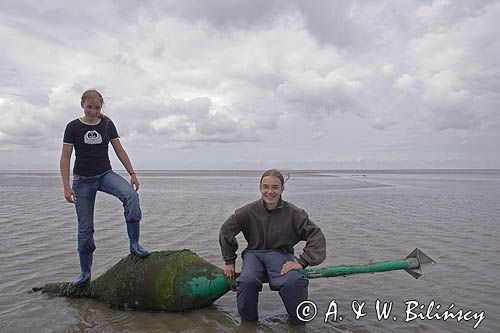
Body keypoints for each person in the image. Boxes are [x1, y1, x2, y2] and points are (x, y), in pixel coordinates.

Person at [60, 89, 149, 287]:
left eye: (97, 107)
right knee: (85, 229)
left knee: (130, 196)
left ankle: (134, 244)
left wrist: (132, 173)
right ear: (82, 104)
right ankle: (85, 273)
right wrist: (67, 186)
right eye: (89, 107)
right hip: (82, 180)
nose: (93, 111)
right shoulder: (73, 127)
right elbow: (65, 157)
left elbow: (119, 150)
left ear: (101, 107)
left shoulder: (107, 124)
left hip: (105, 175)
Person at [219, 169, 326, 325]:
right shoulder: (247, 211)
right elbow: (226, 231)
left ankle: (299, 323)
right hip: (253, 254)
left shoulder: (294, 213)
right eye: (266, 187)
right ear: (260, 188)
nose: (270, 192)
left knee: (293, 280)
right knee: (246, 281)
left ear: (282, 189)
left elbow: (316, 236)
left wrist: (302, 262)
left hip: (280, 255)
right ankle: (248, 325)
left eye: (275, 187)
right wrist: (229, 261)